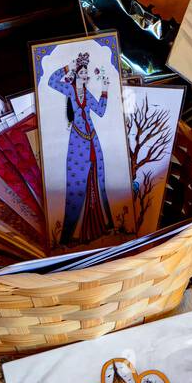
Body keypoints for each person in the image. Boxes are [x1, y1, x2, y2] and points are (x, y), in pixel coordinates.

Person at [49, 51, 115, 245]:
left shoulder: (87, 94)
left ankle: (102, 226)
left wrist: (104, 89)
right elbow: (51, 82)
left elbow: (101, 112)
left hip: (93, 141)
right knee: (76, 187)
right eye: (82, 72)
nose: (85, 76)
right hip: (77, 144)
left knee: (97, 183)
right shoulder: (69, 90)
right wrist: (68, 66)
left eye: (87, 73)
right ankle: (70, 235)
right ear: (77, 74)